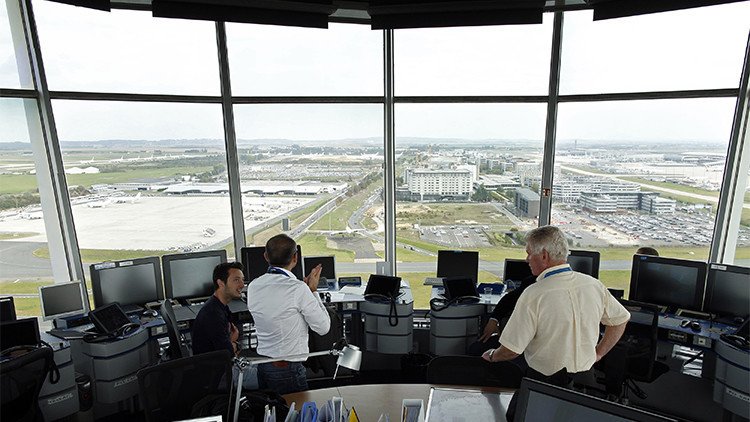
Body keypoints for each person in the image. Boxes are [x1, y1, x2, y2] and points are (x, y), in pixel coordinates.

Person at [481, 226, 630, 422]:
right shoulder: (593, 284)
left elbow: (511, 350)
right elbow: (620, 320)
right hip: (586, 378)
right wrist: (599, 353)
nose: (526, 260)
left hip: (545, 381)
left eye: (528, 253)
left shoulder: (535, 293)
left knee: (515, 417)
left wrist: (492, 356)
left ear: (543, 255)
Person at [247, 234, 331, 395]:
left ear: (265, 256)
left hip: (264, 364)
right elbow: (323, 328)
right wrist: (312, 291)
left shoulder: (253, 286)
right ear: (295, 258)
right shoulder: (298, 288)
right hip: (287, 368)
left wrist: (305, 291)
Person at [192, 261, 258, 389]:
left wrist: (232, 343)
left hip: (223, 368)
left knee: (266, 366)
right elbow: (228, 354)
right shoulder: (213, 314)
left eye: (242, 280)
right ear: (220, 283)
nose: (242, 285)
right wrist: (234, 342)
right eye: (236, 280)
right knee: (272, 375)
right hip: (218, 376)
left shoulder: (219, 306)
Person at [467, 273, 536, 358]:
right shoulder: (530, 281)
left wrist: (493, 357)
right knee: (475, 349)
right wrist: (493, 320)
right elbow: (509, 299)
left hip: (530, 344)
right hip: (512, 338)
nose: (528, 260)